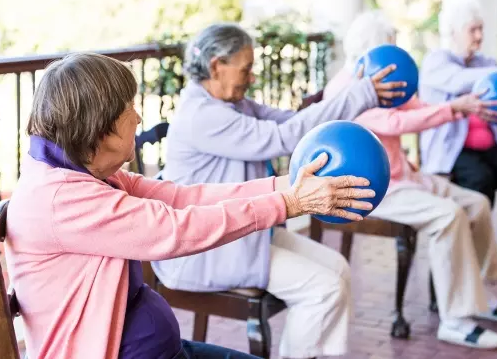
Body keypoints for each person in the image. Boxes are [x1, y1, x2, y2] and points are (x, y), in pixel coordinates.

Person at [3, 53, 377, 359]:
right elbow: (176, 230)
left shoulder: (86, 171)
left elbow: (185, 198)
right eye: (128, 108)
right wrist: (288, 204)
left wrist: (289, 186)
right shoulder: (63, 199)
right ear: (100, 128)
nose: (138, 116)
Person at [152, 23, 404, 359]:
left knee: (338, 268)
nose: (252, 77)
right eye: (246, 68)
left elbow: (294, 124)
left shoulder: (233, 104)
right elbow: (283, 139)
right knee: (323, 288)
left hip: (243, 232)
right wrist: (362, 93)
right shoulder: (202, 115)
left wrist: (353, 92)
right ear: (216, 66)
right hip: (206, 250)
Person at [323, 10, 497, 350]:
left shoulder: (380, 80)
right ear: (373, 51)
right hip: (377, 189)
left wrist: (465, 105)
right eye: (391, 48)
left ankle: (483, 297)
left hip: (405, 175)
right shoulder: (345, 91)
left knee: (476, 204)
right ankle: (456, 321)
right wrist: (455, 109)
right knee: (448, 216)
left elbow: (415, 107)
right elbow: (394, 123)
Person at [419, 2, 497, 282]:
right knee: (480, 182)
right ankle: (467, 269)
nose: (478, 36)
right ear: (453, 32)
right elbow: (460, 81)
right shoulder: (437, 62)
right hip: (453, 153)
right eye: (472, 30)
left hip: (489, 148)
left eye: (481, 30)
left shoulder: (484, 63)